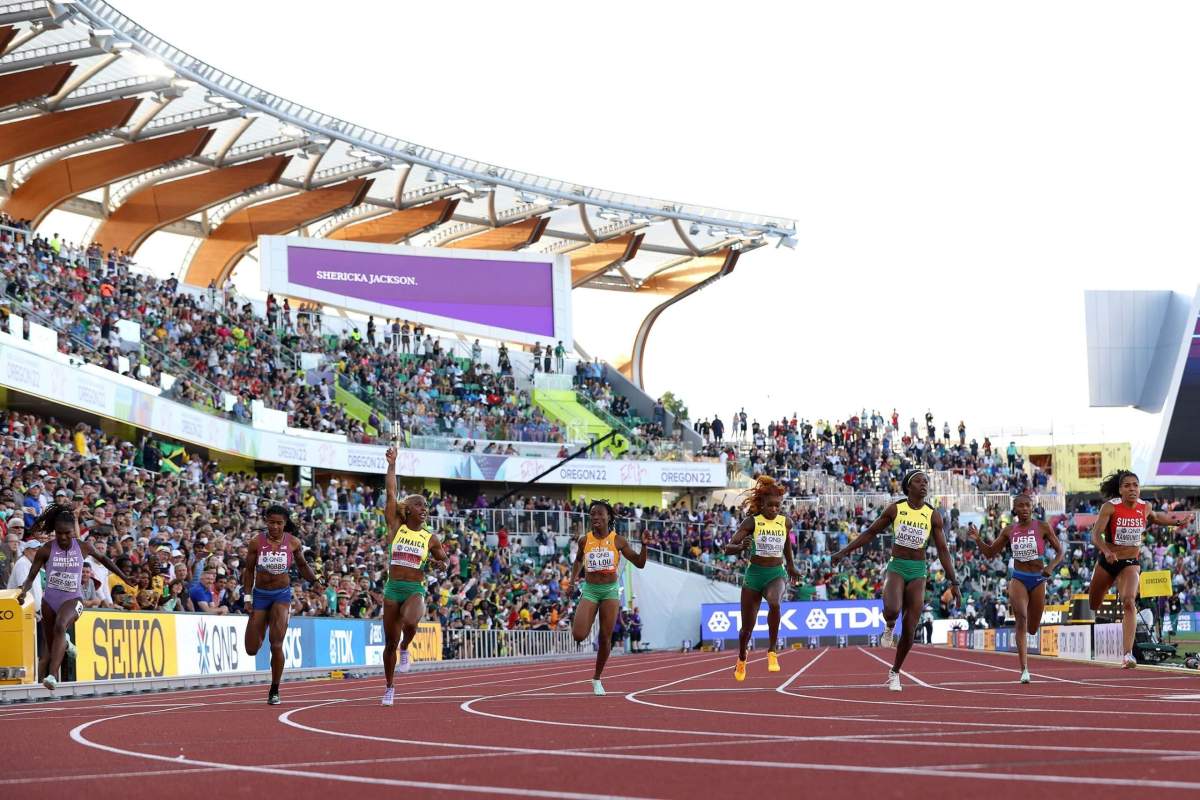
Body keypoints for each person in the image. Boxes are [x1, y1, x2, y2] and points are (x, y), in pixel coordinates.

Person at [832, 469, 961, 691]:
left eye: (926, 481)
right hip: (897, 566)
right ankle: (889, 625)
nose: (924, 484)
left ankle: (895, 672)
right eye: (919, 481)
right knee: (892, 610)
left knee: (910, 628)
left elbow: (942, 549)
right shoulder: (896, 509)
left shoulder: (933, 515)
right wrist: (844, 552)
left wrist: (954, 582)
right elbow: (871, 533)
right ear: (908, 486)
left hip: (918, 570)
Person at [15, 504, 131, 690]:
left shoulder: (83, 547)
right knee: (48, 648)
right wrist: (23, 592)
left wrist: (125, 578)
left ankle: (52, 676)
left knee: (61, 625)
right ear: (55, 531)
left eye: (68, 533)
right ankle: (61, 651)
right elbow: (31, 577)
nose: (63, 537)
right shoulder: (46, 549)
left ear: (74, 532)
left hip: (73, 600)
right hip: (49, 601)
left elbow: (105, 560)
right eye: (59, 533)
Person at [1086, 470, 1188, 668]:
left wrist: (1177, 522)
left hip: (1130, 563)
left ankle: (1127, 655)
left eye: (1135, 485)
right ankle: (1094, 630)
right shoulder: (1110, 508)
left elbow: (1157, 517)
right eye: (1127, 486)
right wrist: (1106, 551)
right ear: (1120, 490)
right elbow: (1095, 535)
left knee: (1129, 602)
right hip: (1108, 561)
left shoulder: (1145, 506)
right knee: (1094, 601)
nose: (1132, 489)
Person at [380, 446, 455, 706]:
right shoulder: (396, 526)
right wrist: (392, 464)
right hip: (392, 589)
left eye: (426, 506)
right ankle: (389, 687)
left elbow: (444, 560)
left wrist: (439, 565)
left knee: (410, 620)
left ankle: (406, 647)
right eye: (418, 505)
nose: (424, 509)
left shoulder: (430, 537)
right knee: (389, 642)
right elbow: (391, 492)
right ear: (408, 509)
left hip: (414, 589)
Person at [969, 493, 1064, 682]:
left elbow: (1060, 551)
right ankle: (1024, 670)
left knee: (1033, 628)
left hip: (1038, 579)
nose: (1025, 509)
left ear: (1032, 507)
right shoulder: (1009, 531)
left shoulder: (1043, 527)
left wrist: (1050, 567)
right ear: (1015, 509)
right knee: (1021, 618)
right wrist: (978, 540)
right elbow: (990, 553)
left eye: (1027, 505)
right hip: (1019, 578)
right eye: (1020, 506)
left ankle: (1029, 638)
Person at [242, 504, 323, 705]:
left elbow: (303, 566)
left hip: (281, 595)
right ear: (266, 522)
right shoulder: (256, 542)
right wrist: (247, 597)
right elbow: (249, 570)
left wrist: (315, 581)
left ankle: (274, 689)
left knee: (276, 643)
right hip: (260, 595)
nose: (275, 527)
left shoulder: (293, 542)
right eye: (271, 522)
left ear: (285, 524)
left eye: (279, 523)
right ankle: (259, 626)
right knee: (251, 649)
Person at [723, 475, 801, 681]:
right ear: (762, 504)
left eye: (778, 506)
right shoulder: (752, 522)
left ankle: (772, 651)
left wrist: (791, 565)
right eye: (770, 506)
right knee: (746, 629)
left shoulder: (786, 522)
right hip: (754, 576)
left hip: (776, 573)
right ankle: (741, 658)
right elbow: (728, 547)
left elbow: (786, 545)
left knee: (775, 603)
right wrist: (740, 547)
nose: (774, 510)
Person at [568, 500, 648, 695]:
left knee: (606, 636)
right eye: (592, 514)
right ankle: (595, 673)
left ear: (609, 517)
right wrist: (572, 581)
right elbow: (578, 560)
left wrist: (645, 546)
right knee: (578, 634)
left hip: (610, 591)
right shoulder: (584, 541)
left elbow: (639, 563)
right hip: (590, 589)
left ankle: (596, 678)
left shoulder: (618, 541)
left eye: (599, 514)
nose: (595, 517)